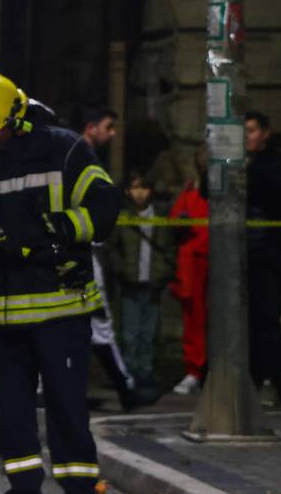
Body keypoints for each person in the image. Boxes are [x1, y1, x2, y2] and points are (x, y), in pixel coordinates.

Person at [0, 71, 122, 494]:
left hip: (60, 308)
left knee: (67, 410)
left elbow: (104, 212)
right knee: (14, 415)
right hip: (1, 313)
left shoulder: (66, 151)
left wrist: (49, 233)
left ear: (17, 118)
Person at [76, 106, 146, 409]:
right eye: (108, 127)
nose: (113, 133)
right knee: (99, 321)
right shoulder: (83, 157)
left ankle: (122, 387)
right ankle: (125, 388)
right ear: (91, 127)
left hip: (75, 249)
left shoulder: (73, 155)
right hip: (83, 251)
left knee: (80, 324)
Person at [244, 112, 281, 405]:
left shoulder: (280, 162)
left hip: (268, 253)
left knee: (266, 318)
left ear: (265, 133)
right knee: (244, 320)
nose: (246, 136)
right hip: (240, 253)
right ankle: (249, 377)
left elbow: (278, 191)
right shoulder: (237, 161)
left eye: (251, 130)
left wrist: (249, 166)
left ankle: (270, 379)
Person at [106, 171, 170, 393]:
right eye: (135, 187)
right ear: (127, 191)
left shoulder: (159, 218)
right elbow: (113, 248)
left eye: (144, 187)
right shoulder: (123, 218)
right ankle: (129, 373)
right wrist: (122, 271)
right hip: (130, 283)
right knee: (131, 333)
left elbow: (167, 249)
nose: (140, 193)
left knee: (148, 333)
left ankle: (145, 373)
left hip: (152, 283)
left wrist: (162, 273)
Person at [168, 152, 211, 396]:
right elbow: (174, 219)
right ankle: (194, 371)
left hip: (218, 259)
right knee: (193, 318)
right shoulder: (191, 189)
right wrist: (180, 221)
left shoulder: (228, 188)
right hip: (194, 261)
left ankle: (215, 369)